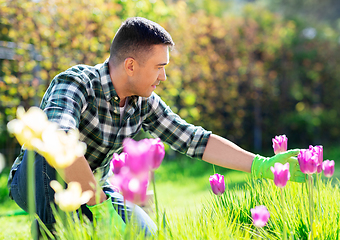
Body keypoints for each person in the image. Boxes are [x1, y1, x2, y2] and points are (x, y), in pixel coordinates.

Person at [8, 17, 304, 237]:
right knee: (51, 168)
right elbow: (56, 139)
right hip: (40, 179)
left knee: (147, 236)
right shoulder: (76, 83)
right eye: (159, 68)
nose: (162, 77)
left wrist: (261, 165)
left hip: (99, 186)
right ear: (131, 66)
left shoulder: (144, 101)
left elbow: (193, 139)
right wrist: (98, 208)